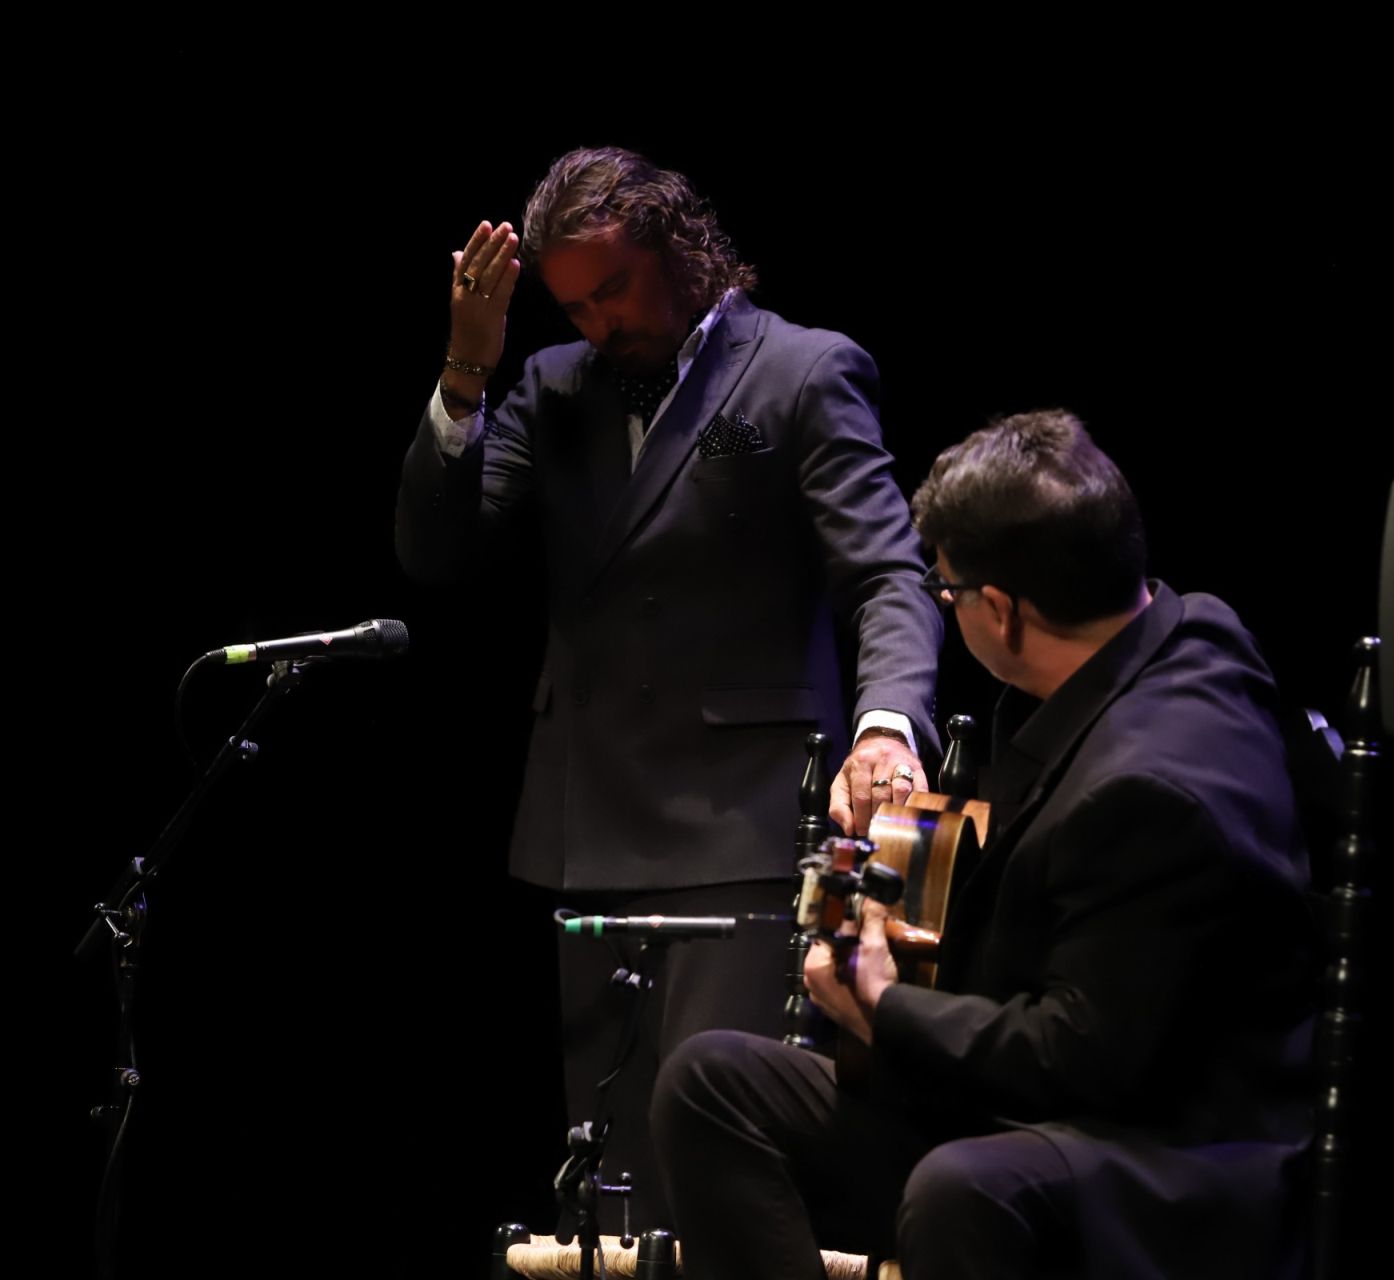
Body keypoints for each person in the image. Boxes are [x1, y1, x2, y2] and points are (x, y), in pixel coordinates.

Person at [395, 146, 942, 1222]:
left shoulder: (801, 371)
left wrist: (886, 725)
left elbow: (888, 573)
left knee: (709, 1153)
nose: (597, 323)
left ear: (681, 251)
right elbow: (437, 551)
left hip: (739, 827)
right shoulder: (553, 388)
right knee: (607, 1171)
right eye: (573, 305)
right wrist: (468, 373)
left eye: (613, 290)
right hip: (587, 823)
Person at [653, 410, 1318, 1278]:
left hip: (1172, 1152)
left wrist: (884, 1008)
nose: (945, 604)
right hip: (1083, 1091)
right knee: (714, 1088)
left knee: (962, 1187)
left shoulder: (1148, 790)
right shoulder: (1185, 627)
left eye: (949, 591)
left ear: (1000, 610)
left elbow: (1080, 1062)